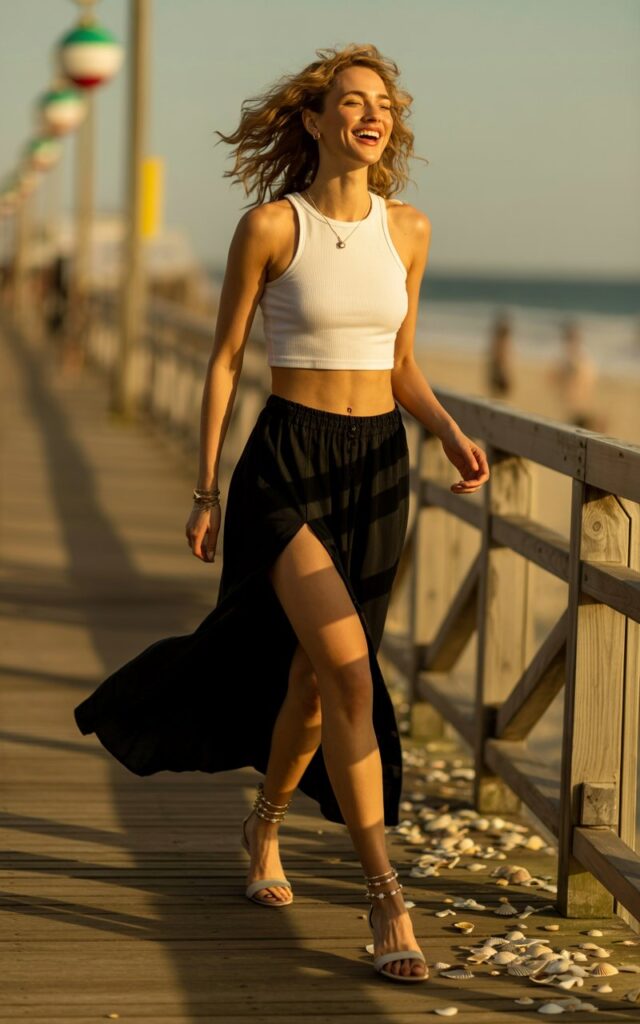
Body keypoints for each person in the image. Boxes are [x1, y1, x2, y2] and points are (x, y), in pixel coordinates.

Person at [73, 43, 489, 984]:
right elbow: (224, 360)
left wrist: (451, 432)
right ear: (313, 121)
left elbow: (401, 360)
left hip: (377, 463)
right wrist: (208, 486)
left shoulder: (410, 230)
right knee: (348, 675)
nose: (370, 114)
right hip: (288, 464)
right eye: (350, 101)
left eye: (381, 103)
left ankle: (263, 825)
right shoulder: (271, 227)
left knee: (312, 681)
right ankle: (387, 896)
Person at [487, 311, 514, 399]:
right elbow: (501, 354)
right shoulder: (502, 338)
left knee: (496, 391)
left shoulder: (498, 337)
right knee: (498, 391)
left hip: (497, 366)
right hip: (499, 367)